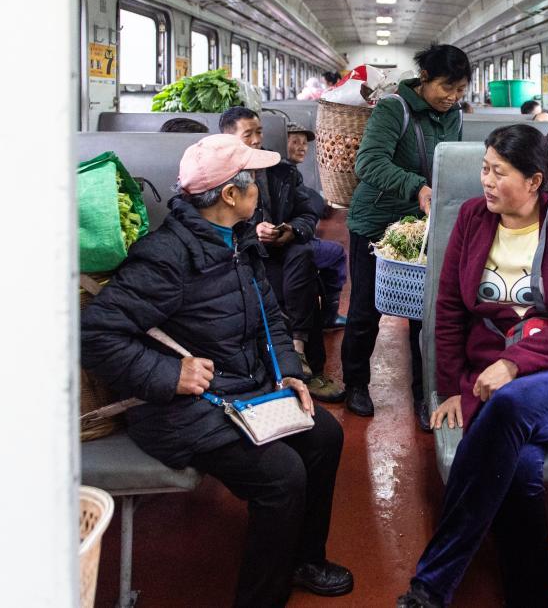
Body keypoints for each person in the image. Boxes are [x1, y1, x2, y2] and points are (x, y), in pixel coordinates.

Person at [81, 134, 353, 607]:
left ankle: (304, 558)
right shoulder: (167, 257)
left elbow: (268, 311)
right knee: (281, 475)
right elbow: (94, 334)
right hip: (180, 409)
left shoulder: (238, 240)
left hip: (241, 391)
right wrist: (170, 374)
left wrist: (289, 371)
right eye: (255, 182)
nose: (261, 190)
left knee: (324, 434)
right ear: (231, 194)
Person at [396, 125, 548, 608]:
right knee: (518, 466)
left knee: (509, 404)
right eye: (484, 169)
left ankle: (432, 584)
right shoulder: (475, 218)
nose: (486, 182)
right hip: (487, 382)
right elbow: (450, 307)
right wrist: (452, 385)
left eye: (499, 172)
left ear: (535, 181)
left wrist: (515, 363)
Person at [342, 44, 471, 425]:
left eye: (461, 89)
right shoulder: (392, 109)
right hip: (376, 221)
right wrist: (415, 185)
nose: (453, 97)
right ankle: (355, 383)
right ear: (425, 79)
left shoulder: (455, 115)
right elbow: (368, 162)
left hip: (423, 225)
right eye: (447, 87)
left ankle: (424, 393)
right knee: (365, 308)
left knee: (424, 313)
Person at [220, 107, 323, 384]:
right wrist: (252, 232)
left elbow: (308, 212)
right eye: (248, 135)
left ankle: (299, 346)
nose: (256, 140)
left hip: (280, 249)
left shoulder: (281, 171)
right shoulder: (220, 176)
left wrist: (291, 230)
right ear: (229, 138)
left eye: (259, 133)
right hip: (242, 252)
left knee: (303, 254)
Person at [283, 120, 348, 402]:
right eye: (294, 140)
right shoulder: (270, 173)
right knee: (329, 256)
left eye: (304, 141)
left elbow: (309, 212)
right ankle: (328, 314)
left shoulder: (287, 175)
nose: (301, 147)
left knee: (312, 261)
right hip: (276, 248)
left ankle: (327, 315)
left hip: (292, 239)